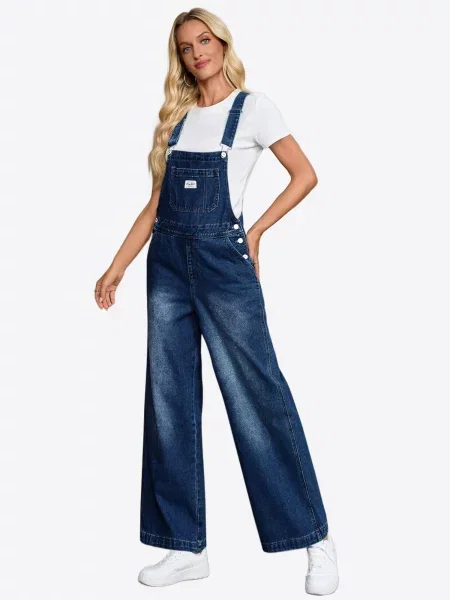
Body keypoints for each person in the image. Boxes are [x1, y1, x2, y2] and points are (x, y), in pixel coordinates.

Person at [94, 8, 339, 596]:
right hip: (166, 269)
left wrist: (256, 232)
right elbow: (156, 206)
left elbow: (304, 175)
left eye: (204, 40)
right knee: (169, 402)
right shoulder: (177, 120)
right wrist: (117, 265)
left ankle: (315, 539)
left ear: (222, 44)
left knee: (257, 398)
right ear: (179, 58)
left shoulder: (254, 109)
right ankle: (185, 547)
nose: (197, 52)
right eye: (186, 47)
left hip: (225, 268)